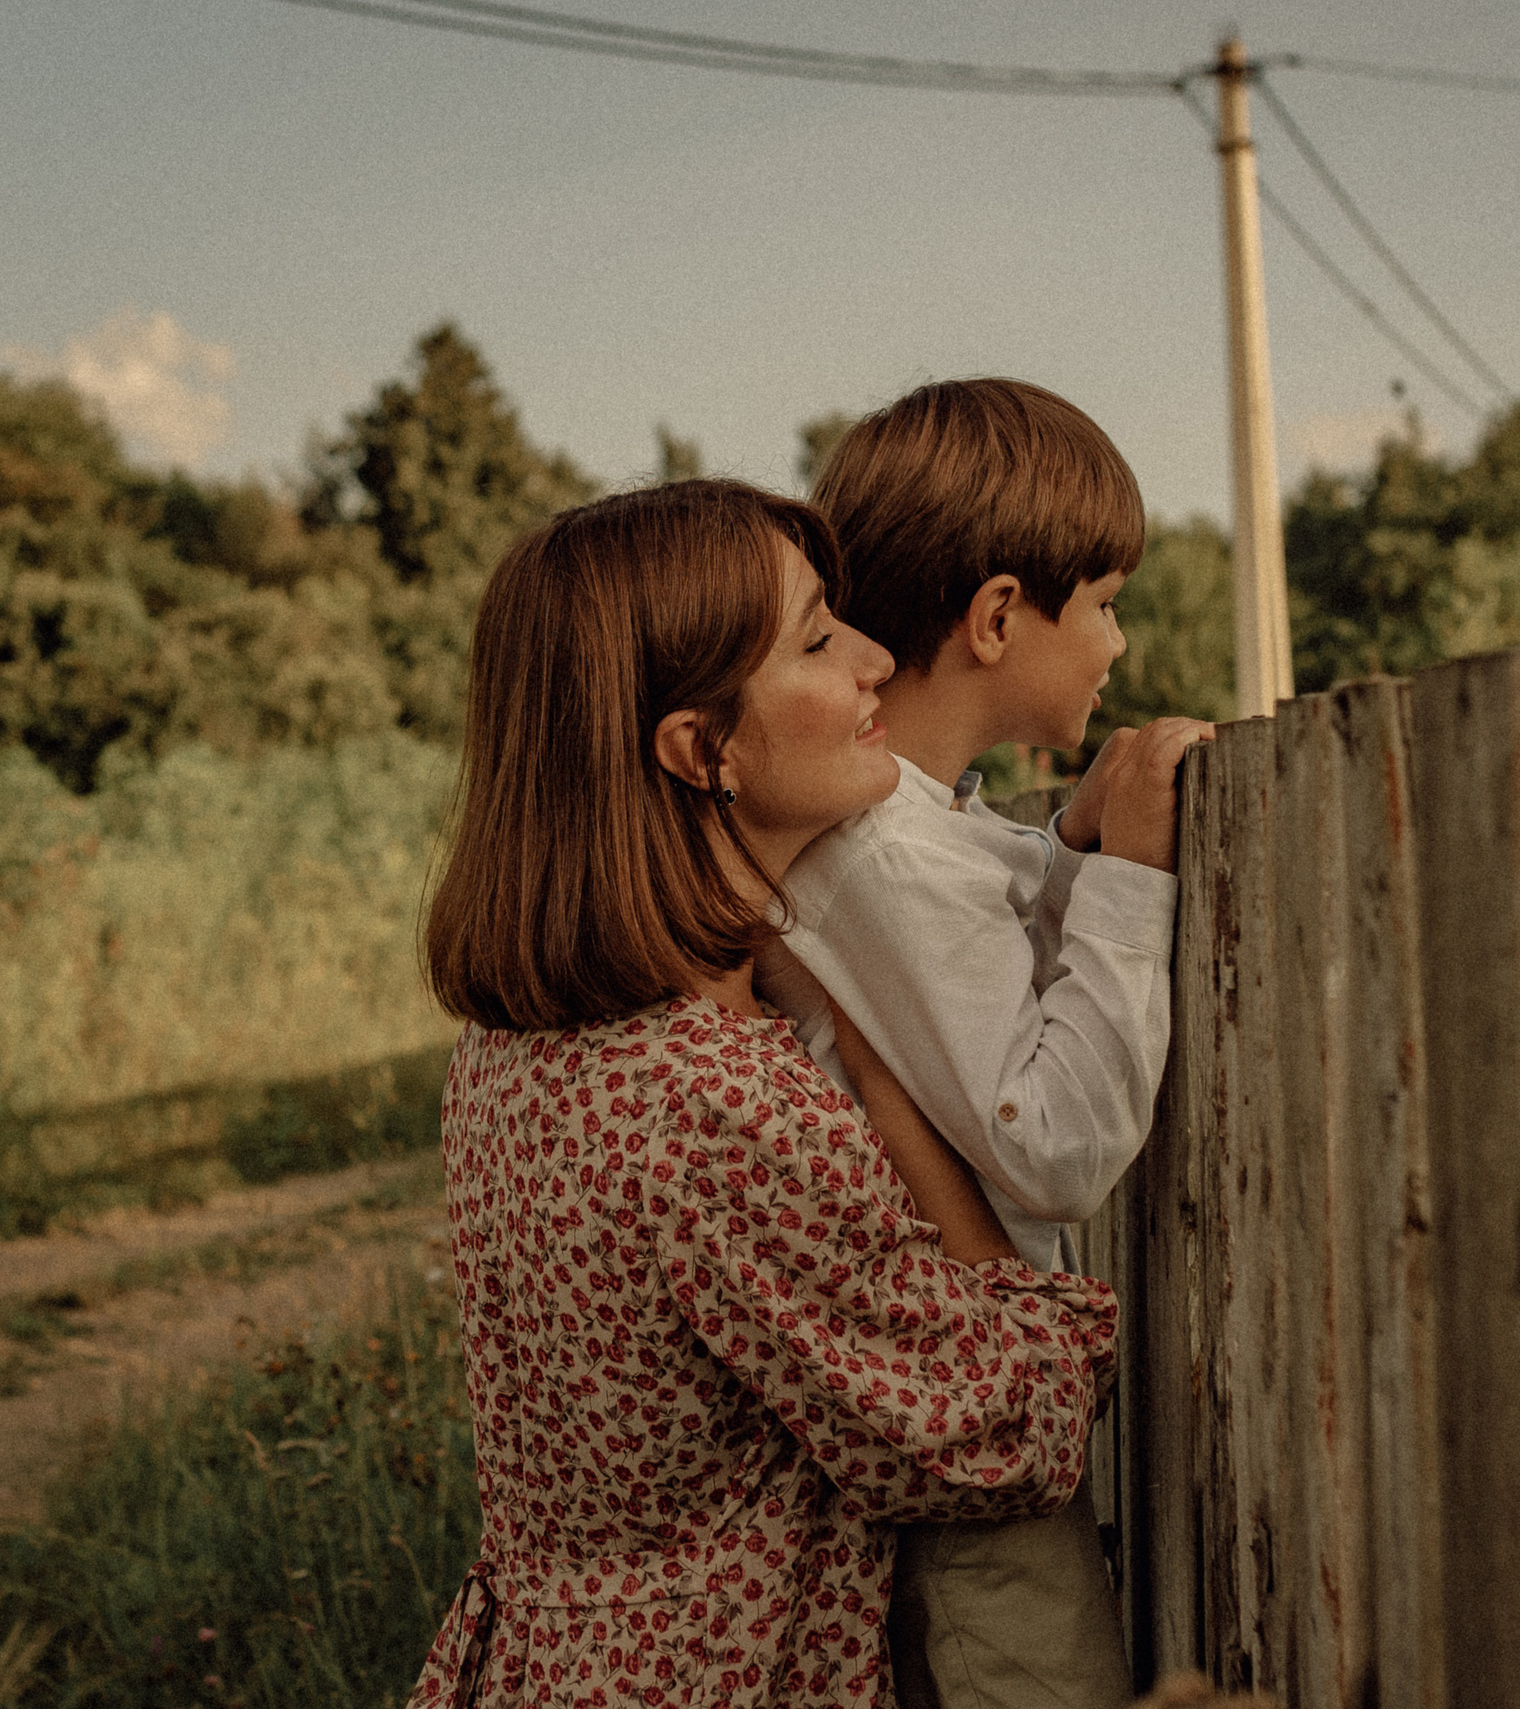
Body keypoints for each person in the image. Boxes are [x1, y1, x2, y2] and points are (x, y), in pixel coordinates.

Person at [411, 478, 1117, 1709]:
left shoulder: (510, 1053)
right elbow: (1000, 1427)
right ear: (701, 750)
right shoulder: (715, 1093)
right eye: (815, 639)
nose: (876, 662)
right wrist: (885, 1065)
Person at [758, 378, 1212, 1709]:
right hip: (965, 1465)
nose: (1121, 642)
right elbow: (1049, 1146)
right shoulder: (882, 849)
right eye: (1108, 601)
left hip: (957, 1409)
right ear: (1003, 615)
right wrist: (1130, 876)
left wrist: (1064, 847)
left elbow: (976, 910)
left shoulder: (908, 825)